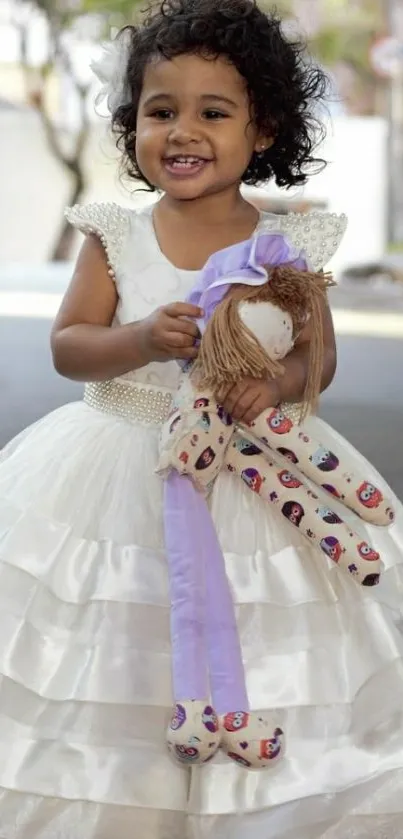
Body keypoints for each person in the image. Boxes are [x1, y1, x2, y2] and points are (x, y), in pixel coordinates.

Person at [0, 0, 402, 836]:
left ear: (263, 131)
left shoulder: (286, 244)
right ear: (133, 127)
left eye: (212, 112)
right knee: (119, 633)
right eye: (160, 111)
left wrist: (282, 379)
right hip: (118, 460)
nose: (182, 131)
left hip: (251, 475)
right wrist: (138, 337)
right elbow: (70, 347)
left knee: (257, 631)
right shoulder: (115, 234)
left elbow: (315, 355)